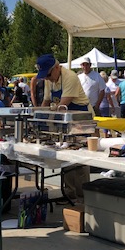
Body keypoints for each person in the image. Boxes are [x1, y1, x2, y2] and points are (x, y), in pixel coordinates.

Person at [36, 53, 91, 199]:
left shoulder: (70, 77)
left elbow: (62, 105)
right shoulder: (49, 80)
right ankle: (69, 192)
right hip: (65, 120)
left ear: (56, 67)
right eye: (44, 76)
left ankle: (83, 195)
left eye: (48, 75)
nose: (47, 78)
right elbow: (46, 102)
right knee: (66, 156)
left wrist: (48, 120)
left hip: (80, 119)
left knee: (80, 156)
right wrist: (38, 116)